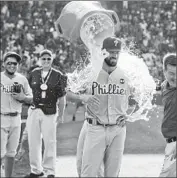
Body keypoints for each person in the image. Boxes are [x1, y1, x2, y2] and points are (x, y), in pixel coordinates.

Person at [77, 36, 134, 177]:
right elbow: (68, 91)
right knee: (88, 173)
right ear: (103, 52)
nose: (114, 55)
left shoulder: (126, 75)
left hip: (118, 130)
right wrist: (84, 97)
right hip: (95, 128)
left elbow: (134, 101)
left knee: (112, 174)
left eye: (116, 52)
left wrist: (128, 115)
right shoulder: (91, 72)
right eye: (110, 51)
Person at [25, 49, 67, 178]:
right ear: (39, 60)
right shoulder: (33, 73)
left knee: (50, 142)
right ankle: (36, 170)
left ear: (52, 60)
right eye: (43, 59)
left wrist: (61, 115)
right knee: (33, 141)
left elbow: (62, 97)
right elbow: (27, 91)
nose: (46, 61)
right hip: (34, 110)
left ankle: (50, 171)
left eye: (48, 59)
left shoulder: (58, 75)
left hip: (49, 112)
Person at [0, 51, 33, 177]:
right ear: (4, 64)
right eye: (9, 63)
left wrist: (23, 97)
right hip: (1, 116)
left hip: (16, 118)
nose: (12, 65)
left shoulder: (22, 79)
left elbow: (32, 98)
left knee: (11, 152)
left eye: (15, 63)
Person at [158, 53, 176, 177]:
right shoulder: (164, 86)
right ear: (164, 71)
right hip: (170, 143)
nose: (176, 77)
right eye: (172, 73)